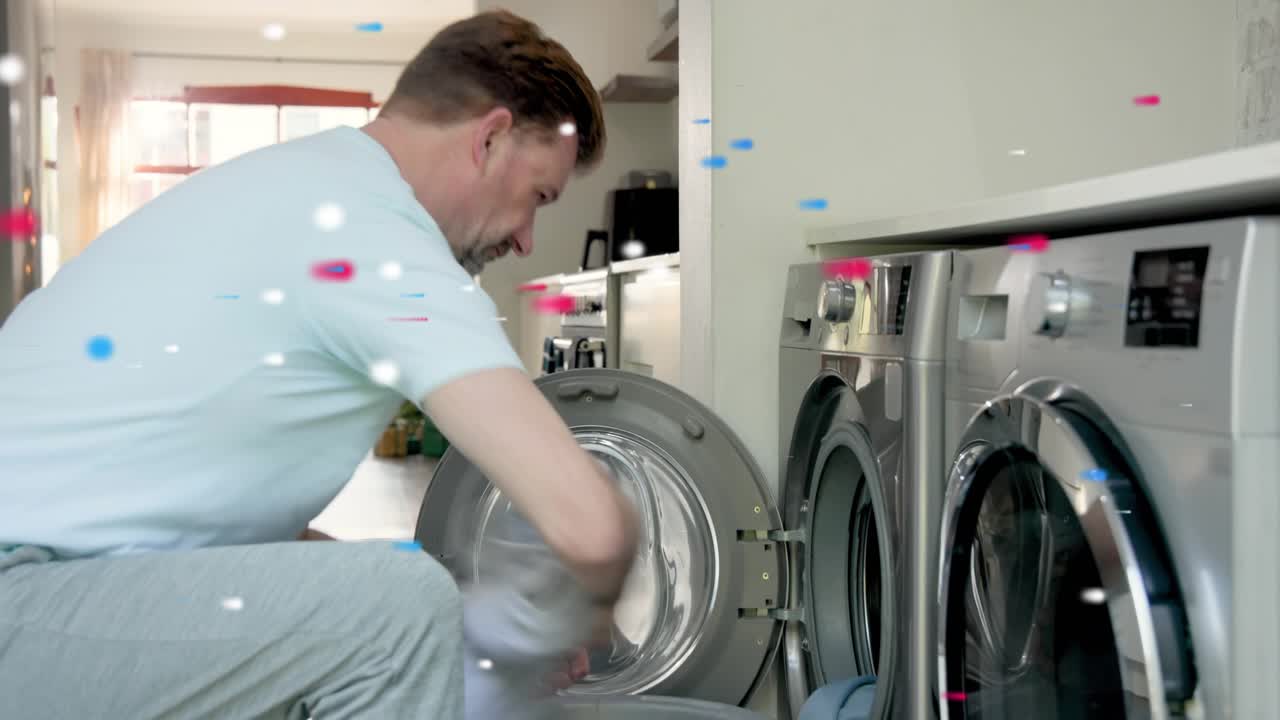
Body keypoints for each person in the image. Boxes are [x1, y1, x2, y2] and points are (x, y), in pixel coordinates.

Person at [0, 9, 637, 719]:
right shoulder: (374, 234)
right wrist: (567, 625)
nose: (526, 238)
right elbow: (593, 527)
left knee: (396, 603)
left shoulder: (297, 185)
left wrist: (465, 610)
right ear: (489, 139)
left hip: (49, 593)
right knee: (399, 610)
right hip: (18, 602)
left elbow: (223, 527)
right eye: (537, 197)